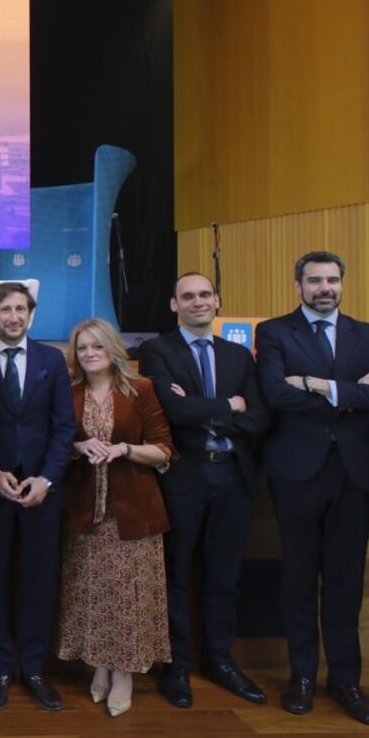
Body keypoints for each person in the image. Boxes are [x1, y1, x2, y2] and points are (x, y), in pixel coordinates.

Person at [255, 251, 369, 724]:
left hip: (354, 472)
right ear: (298, 285)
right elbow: (275, 393)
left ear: (342, 284)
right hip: (296, 471)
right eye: (315, 280)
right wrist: (352, 392)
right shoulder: (275, 332)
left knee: (346, 580)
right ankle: (302, 675)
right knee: (298, 577)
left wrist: (317, 384)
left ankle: (345, 679)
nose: (325, 288)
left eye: (333, 280)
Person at [139, 272, 271, 708]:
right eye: (188, 296)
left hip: (233, 477)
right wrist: (229, 406)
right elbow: (172, 411)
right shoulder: (158, 350)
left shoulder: (238, 355)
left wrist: (204, 412)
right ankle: (175, 665)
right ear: (174, 304)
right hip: (184, 478)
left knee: (224, 576)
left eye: (205, 295)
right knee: (176, 573)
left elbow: (259, 418)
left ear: (217, 301)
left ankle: (220, 660)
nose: (198, 302)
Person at [0, 281, 74, 712]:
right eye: (5, 309)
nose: (14, 317)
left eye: (21, 309)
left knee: (39, 581)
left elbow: (64, 427)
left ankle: (35, 669)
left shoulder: (51, 359)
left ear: (30, 314)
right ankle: (0, 670)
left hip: (41, 492)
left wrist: (46, 479)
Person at [56, 317, 175, 718]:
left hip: (133, 510)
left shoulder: (140, 389)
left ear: (113, 348)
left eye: (97, 345)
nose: (90, 353)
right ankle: (100, 666)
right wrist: (78, 446)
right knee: (92, 594)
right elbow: (56, 443)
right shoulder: (68, 392)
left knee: (129, 597)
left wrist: (125, 449)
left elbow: (164, 450)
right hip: (85, 510)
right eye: (82, 347)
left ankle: (124, 673)